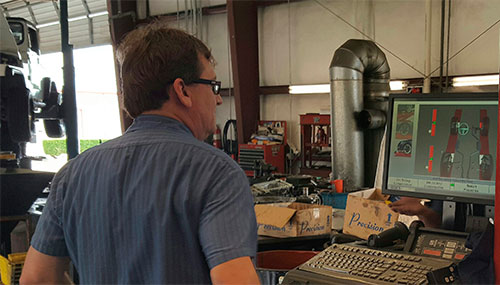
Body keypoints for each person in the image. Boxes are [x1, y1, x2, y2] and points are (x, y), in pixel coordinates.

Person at [20, 22, 259, 284]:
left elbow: (36, 279)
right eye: (212, 86)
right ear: (182, 91)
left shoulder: (72, 175)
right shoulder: (216, 172)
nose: (218, 99)